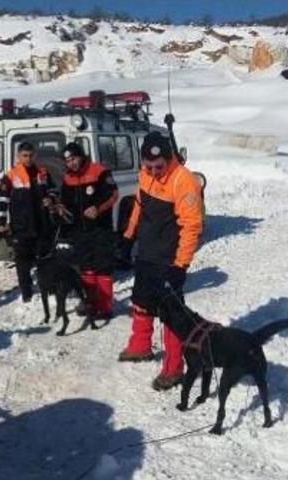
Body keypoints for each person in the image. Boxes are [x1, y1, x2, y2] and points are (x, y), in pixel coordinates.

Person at [118, 131, 204, 391]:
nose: (154, 171)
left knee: (171, 315)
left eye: (159, 167)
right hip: (147, 252)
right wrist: (128, 235)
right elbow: (139, 205)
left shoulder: (183, 180)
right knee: (141, 301)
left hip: (169, 257)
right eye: (148, 166)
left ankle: (174, 368)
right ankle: (140, 347)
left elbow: (192, 227)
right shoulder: (145, 174)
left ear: (169, 159)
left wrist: (181, 265)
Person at [58, 142, 118, 320]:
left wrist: (97, 209)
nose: (72, 163)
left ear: (81, 156)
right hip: (80, 231)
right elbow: (64, 200)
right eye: (67, 161)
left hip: (100, 229)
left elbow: (113, 195)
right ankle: (92, 303)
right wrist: (61, 207)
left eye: (74, 158)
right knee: (86, 269)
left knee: (103, 269)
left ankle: (105, 308)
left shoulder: (99, 171)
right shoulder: (68, 178)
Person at [0, 142, 56, 302]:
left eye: (30, 155)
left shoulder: (42, 173)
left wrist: (50, 199)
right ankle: (26, 291)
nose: (28, 159)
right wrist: (1, 222)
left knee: (44, 257)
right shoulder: (10, 176)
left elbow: (53, 190)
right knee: (22, 261)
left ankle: (47, 287)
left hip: (41, 223)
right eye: (24, 156)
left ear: (34, 155)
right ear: (18, 156)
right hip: (20, 225)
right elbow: (2, 200)